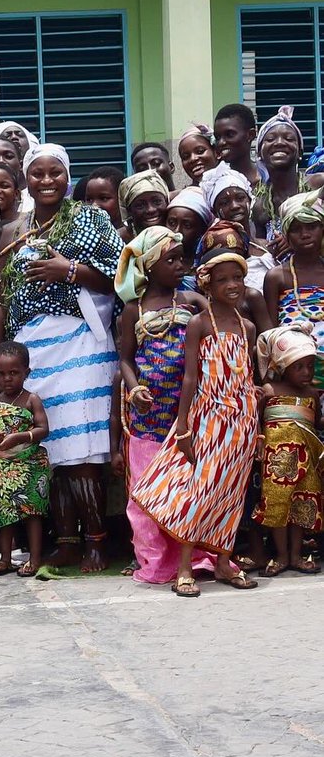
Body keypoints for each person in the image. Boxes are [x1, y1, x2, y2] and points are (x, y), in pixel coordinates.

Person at [0, 144, 122, 573]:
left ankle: (97, 543)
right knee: (52, 451)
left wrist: (68, 270)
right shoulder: (14, 231)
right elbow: (3, 298)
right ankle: (66, 544)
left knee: (82, 451)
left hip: (82, 340)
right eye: (38, 173)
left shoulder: (91, 218)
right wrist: (1, 353)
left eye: (56, 173)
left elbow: (120, 278)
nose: (47, 181)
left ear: (68, 177)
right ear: (26, 178)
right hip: (35, 347)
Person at [130, 227, 261, 597]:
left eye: (237, 278)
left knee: (231, 493)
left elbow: (247, 376)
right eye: (223, 280)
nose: (233, 285)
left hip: (242, 421)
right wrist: (184, 426)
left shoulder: (248, 327)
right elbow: (189, 379)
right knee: (200, 489)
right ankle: (185, 566)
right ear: (207, 284)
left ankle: (222, 561)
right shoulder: (199, 325)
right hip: (208, 419)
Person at [113, 227, 211, 585]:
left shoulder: (192, 302)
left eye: (182, 258)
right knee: (146, 494)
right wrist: (135, 386)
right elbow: (125, 359)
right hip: (148, 414)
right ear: (149, 266)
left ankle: (196, 556)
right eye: (171, 259)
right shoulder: (132, 309)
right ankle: (155, 562)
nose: (180, 265)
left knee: (185, 489)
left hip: (186, 412)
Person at [0, 341, 50, 577]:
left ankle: (35, 559)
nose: (7, 379)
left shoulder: (31, 400)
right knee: (2, 513)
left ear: (26, 372)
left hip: (29, 466)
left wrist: (20, 436)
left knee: (31, 513)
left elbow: (43, 429)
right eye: (1, 374)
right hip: (0, 467)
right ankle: (6, 558)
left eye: (14, 373)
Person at [253, 323, 323, 576]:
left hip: (307, 462)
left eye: (310, 366)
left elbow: (316, 424)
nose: (306, 372)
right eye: (298, 367)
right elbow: (257, 420)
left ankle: (296, 555)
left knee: (302, 506)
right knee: (277, 505)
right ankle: (281, 556)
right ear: (282, 367)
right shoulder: (270, 391)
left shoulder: (313, 394)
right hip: (276, 462)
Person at [263, 192, 324, 374]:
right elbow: (272, 331)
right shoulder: (277, 277)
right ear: (286, 235)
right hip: (294, 368)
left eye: (311, 227)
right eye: (296, 229)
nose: (304, 234)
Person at [200, 163, 274, 290]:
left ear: (250, 201)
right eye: (224, 202)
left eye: (240, 198)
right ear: (214, 211)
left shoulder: (267, 245)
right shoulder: (218, 245)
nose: (234, 206)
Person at [252, 105, 320, 242]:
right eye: (270, 139)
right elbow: (259, 251)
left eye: (288, 139)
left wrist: (296, 242)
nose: (279, 143)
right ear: (259, 153)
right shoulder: (259, 205)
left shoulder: (317, 186)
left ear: (300, 152)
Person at [166, 186, 213, 285]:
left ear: (202, 229)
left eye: (187, 225)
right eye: (171, 223)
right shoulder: (156, 261)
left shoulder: (208, 263)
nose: (177, 231)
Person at [214, 103, 261, 186]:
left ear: (250, 135)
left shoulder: (268, 179)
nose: (221, 142)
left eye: (229, 135)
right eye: (217, 137)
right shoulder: (215, 183)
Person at [74, 166, 128, 237]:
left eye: (104, 198)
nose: (94, 206)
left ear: (121, 199)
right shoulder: (79, 236)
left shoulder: (136, 237)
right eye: (89, 200)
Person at [118, 170, 170, 236]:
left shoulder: (179, 231)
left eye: (157, 202)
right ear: (129, 210)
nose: (150, 210)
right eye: (140, 205)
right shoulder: (119, 239)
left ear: (166, 201)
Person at [178, 123, 220, 187]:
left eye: (200, 151)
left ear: (216, 152)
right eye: (186, 157)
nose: (193, 159)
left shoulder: (233, 185)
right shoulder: (185, 195)